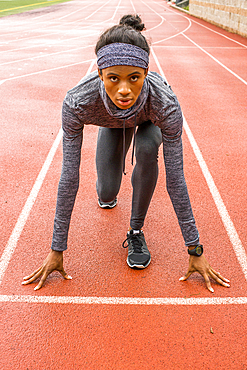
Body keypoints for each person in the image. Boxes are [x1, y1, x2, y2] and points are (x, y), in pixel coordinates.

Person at [22, 14, 230, 292]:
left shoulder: (165, 103)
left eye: (134, 78)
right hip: (110, 123)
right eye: (113, 78)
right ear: (100, 74)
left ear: (146, 73)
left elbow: (176, 180)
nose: (123, 90)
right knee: (107, 193)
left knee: (146, 148)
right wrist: (57, 249)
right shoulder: (77, 102)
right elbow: (69, 178)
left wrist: (196, 250)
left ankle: (135, 230)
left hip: (148, 120)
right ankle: (108, 188)